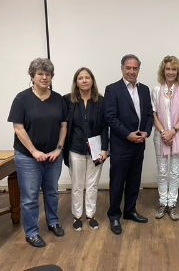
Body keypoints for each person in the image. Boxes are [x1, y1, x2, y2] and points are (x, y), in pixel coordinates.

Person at [8, 58, 67, 248]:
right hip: (28, 157)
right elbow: (18, 128)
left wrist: (58, 149)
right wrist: (34, 152)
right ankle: (32, 232)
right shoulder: (21, 99)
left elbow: (64, 125)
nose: (44, 77)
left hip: (53, 156)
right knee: (30, 196)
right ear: (32, 76)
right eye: (40, 74)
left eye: (48, 74)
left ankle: (53, 222)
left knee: (52, 192)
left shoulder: (58, 99)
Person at [103, 54, 154, 235]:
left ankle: (130, 211)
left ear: (139, 69)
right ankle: (114, 215)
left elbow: (149, 114)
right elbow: (110, 117)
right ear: (122, 68)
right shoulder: (112, 89)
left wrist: (146, 132)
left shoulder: (145, 89)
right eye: (128, 68)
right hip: (121, 144)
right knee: (117, 181)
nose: (132, 71)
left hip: (139, 143)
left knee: (134, 179)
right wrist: (128, 135)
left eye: (135, 68)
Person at [63, 67, 109, 231]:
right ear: (76, 82)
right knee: (77, 184)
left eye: (87, 77)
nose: (84, 80)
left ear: (92, 81)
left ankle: (90, 215)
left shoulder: (101, 101)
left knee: (92, 185)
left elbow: (104, 127)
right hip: (75, 149)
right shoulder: (67, 100)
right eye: (80, 78)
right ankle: (77, 216)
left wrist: (105, 149)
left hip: (95, 150)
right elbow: (64, 126)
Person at [151, 56, 179, 221]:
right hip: (160, 136)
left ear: (178, 71)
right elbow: (154, 114)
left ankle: (172, 204)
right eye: (168, 69)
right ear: (163, 71)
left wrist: (172, 131)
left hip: (177, 136)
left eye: (174, 69)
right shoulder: (156, 90)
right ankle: (163, 203)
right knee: (162, 171)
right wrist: (163, 132)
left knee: (174, 172)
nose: (171, 72)